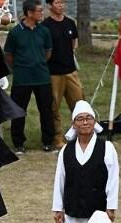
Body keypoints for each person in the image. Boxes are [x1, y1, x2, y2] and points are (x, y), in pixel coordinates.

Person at [37, 104, 120, 223]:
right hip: (73, 210)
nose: (85, 122)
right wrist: (58, 207)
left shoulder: (107, 148)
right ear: (74, 124)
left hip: (97, 209)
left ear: (94, 122)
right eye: (80, 119)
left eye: (88, 118)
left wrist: (111, 206)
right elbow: (60, 179)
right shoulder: (66, 150)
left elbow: (113, 177)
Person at [4, 0, 55, 154]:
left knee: (46, 110)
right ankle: (18, 143)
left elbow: (48, 52)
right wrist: (20, 67)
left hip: (42, 77)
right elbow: (8, 55)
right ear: (29, 13)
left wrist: (38, 62)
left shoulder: (44, 31)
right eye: (39, 10)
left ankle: (48, 142)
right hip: (22, 79)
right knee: (19, 112)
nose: (42, 13)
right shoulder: (15, 33)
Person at [42, 0, 83, 146]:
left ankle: (82, 133)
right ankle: (57, 137)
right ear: (50, 5)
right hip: (54, 73)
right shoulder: (45, 26)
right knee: (54, 107)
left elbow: (74, 43)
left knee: (79, 104)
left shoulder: (70, 23)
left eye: (62, 2)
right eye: (57, 2)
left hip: (71, 72)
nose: (61, 5)